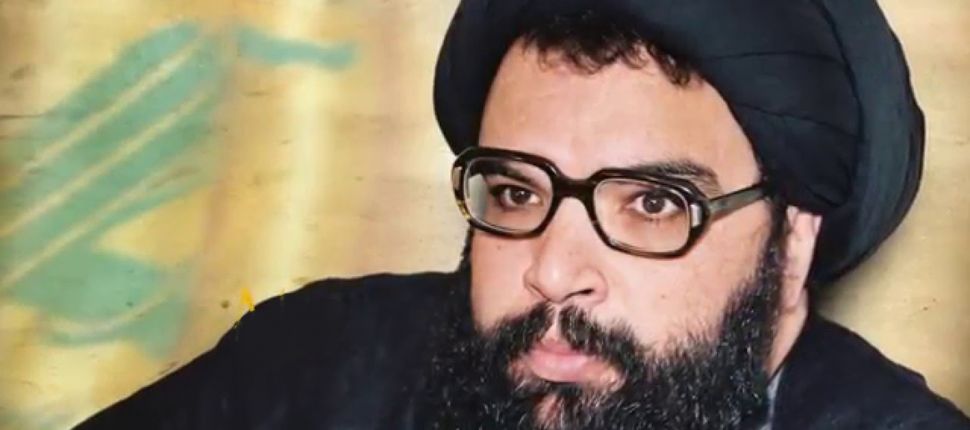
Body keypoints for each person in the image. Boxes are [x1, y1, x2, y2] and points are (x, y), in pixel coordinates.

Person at [74, 0, 970, 429]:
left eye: (653, 203)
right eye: (516, 193)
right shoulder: (314, 365)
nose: (550, 269)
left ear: (792, 245)